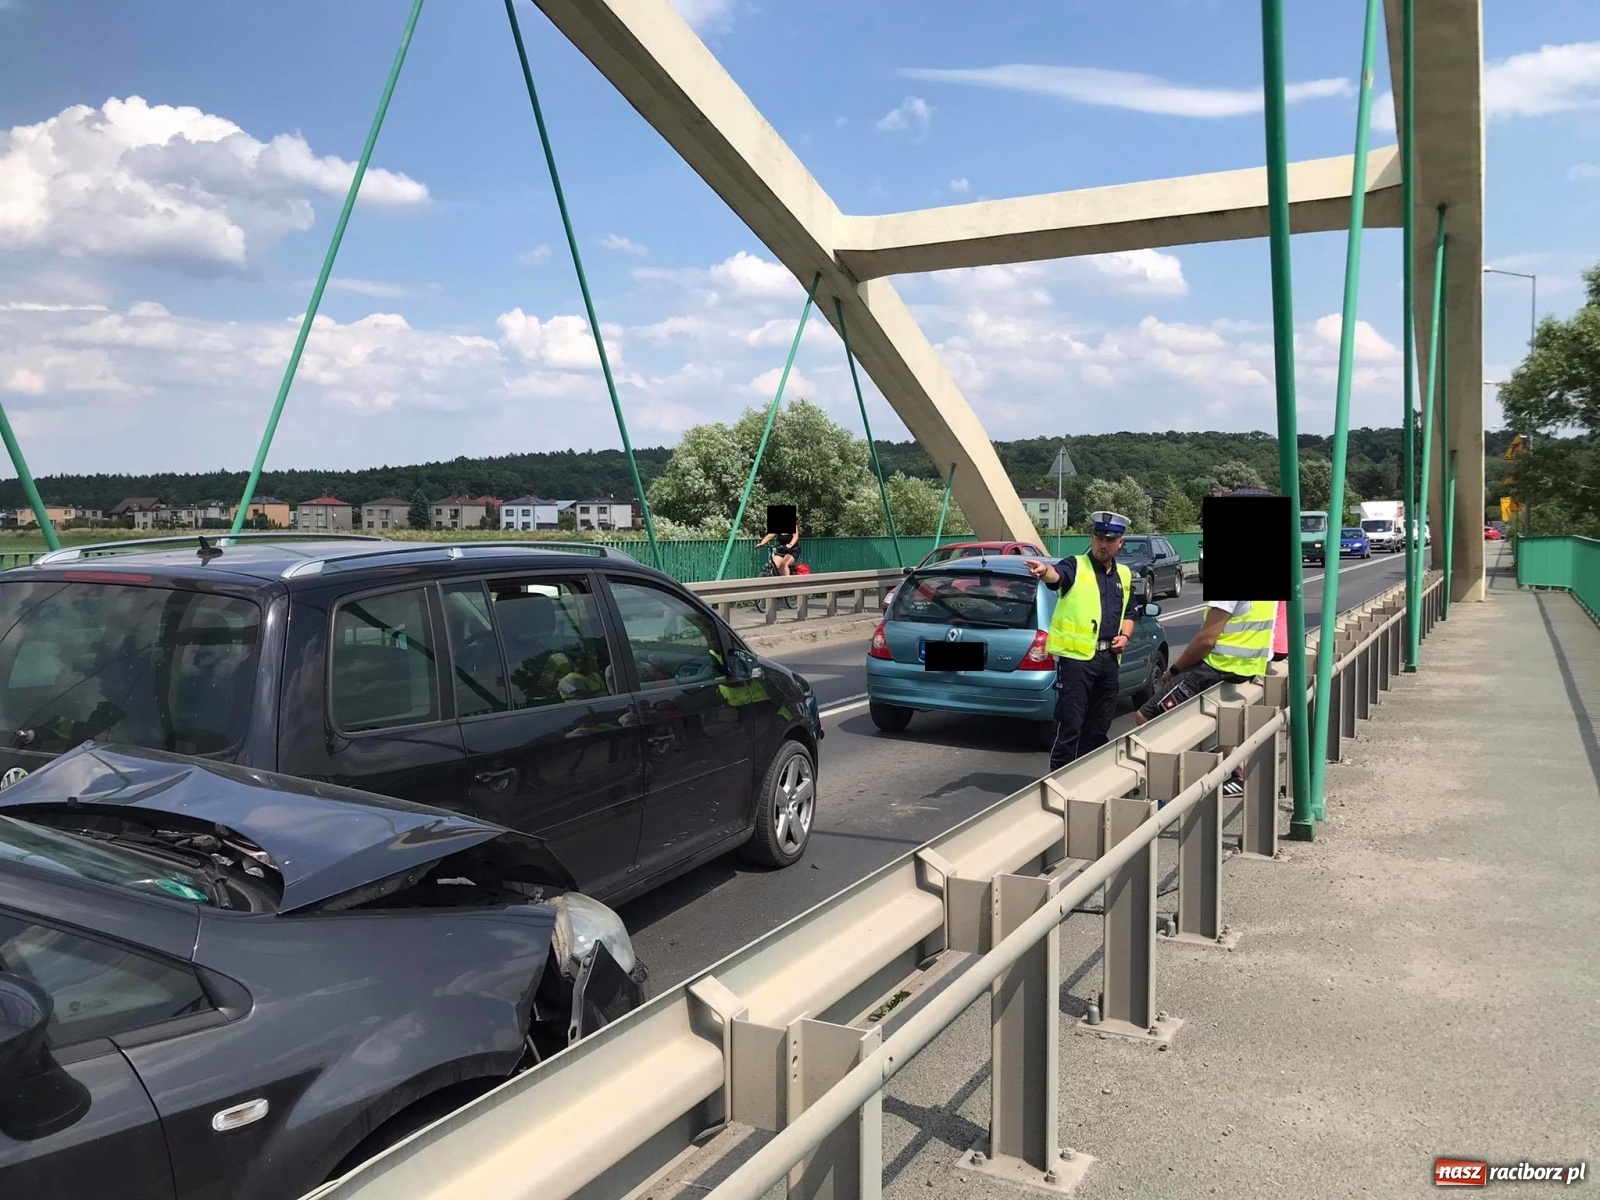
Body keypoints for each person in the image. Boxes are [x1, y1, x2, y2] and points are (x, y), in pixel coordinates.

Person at [1024, 511, 1137, 771]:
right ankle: (1059, 780)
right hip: (1077, 662)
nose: (1102, 544)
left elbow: (1130, 613)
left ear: (1120, 542)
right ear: (1092, 538)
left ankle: (1088, 778)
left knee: (1099, 726)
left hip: (1109, 660)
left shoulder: (1124, 574)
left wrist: (1125, 636)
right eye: (1098, 538)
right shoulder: (1075, 565)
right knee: (1070, 724)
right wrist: (1044, 571)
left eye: (1109, 540)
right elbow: (1057, 576)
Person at [1134, 594, 1277, 796]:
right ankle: (1239, 771)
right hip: (1249, 667)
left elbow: (1206, 640)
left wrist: (1173, 670)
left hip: (1219, 665)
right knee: (1215, 717)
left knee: (1147, 716)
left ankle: (1179, 783)